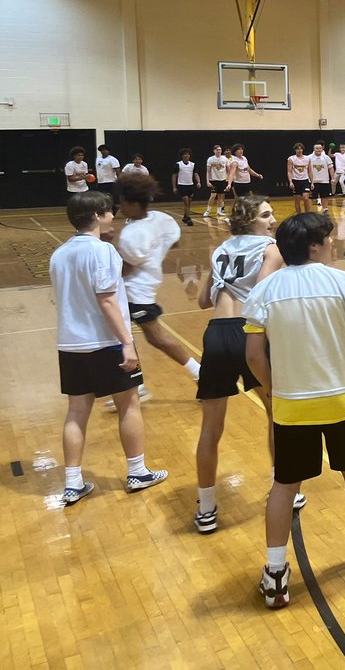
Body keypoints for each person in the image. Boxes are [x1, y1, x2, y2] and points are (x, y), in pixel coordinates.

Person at [243, 212, 345, 609]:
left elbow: (254, 355)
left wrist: (274, 390)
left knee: (285, 485)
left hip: (291, 407)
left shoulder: (265, 291)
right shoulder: (344, 283)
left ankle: (275, 572)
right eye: (327, 239)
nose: (332, 245)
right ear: (313, 245)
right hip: (342, 400)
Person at [50, 191, 167, 504]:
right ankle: (137, 471)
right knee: (129, 404)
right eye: (109, 212)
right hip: (105, 342)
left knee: (76, 411)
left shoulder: (59, 254)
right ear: (98, 215)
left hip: (70, 344)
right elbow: (106, 299)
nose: (112, 217)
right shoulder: (102, 252)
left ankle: (73, 482)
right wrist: (127, 342)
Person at [194, 195, 290, 534]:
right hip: (250, 334)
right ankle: (284, 490)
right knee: (275, 412)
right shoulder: (271, 248)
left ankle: (206, 507)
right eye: (266, 214)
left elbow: (203, 300)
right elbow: (262, 293)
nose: (272, 218)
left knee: (211, 428)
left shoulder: (219, 249)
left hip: (216, 334)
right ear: (251, 220)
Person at [114, 172, 202, 401]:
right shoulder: (161, 219)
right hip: (147, 286)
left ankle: (200, 373)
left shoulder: (131, 235)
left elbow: (126, 269)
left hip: (133, 292)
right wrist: (155, 251)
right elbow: (175, 241)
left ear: (133, 203)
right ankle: (134, 383)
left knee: (151, 337)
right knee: (127, 337)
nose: (119, 206)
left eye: (122, 202)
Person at [172, 148, 200, 227]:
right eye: (184, 154)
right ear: (182, 156)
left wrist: (198, 182)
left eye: (188, 154)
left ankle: (185, 216)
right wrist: (174, 187)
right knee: (186, 201)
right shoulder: (178, 164)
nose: (186, 155)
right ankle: (188, 218)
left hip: (190, 185)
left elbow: (195, 174)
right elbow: (174, 176)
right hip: (182, 185)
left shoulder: (192, 164)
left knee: (189, 202)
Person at [204, 144, 230, 218]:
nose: (219, 151)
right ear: (214, 151)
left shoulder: (225, 159)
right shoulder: (210, 159)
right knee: (213, 196)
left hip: (222, 180)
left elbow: (228, 170)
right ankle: (208, 210)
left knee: (221, 196)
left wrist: (229, 180)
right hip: (214, 180)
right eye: (217, 150)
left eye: (220, 150)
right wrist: (207, 181)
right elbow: (208, 171)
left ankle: (219, 211)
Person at [287, 142, 312, 215]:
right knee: (297, 200)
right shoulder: (291, 159)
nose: (299, 150)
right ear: (295, 150)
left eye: (301, 149)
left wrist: (312, 182)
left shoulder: (307, 158)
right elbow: (289, 171)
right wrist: (290, 182)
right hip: (295, 180)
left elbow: (310, 171)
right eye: (297, 149)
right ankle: (299, 215)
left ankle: (307, 214)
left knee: (306, 198)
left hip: (305, 180)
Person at [309, 141, 334, 211]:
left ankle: (325, 210)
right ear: (314, 149)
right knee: (310, 198)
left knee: (325, 196)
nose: (319, 150)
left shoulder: (326, 157)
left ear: (322, 149)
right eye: (317, 148)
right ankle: (309, 212)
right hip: (313, 181)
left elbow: (331, 168)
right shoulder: (309, 158)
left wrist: (332, 178)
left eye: (320, 148)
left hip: (324, 181)